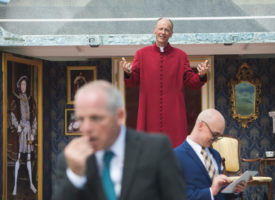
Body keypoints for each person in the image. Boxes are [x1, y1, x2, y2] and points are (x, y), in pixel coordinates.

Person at [52, 80, 187, 200]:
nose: (86, 127)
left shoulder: (156, 149)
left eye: (96, 118)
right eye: (80, 119)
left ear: (120, 116)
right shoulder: (69, 160)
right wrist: (76, 175)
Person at [120, 17, 209, 147]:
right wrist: (128, 73)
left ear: (171, 34)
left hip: (174, 115)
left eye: (167, 30)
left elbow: (191, 82)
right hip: (149, 114)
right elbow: (132, 82)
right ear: (154, 31)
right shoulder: (141, 54)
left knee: (176, 151)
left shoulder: (181, 56)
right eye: (160, 28)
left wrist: (201, 75)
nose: (163, 32)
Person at [174, 108, 246, 200]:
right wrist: (211, 191)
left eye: (219, 136)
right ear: (200, 125)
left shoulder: (216, 155)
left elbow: (220, 193)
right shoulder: (175, 157)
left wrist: (235, 190)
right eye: (215, 134)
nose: (216, 140)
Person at [9, 75, 37, 195]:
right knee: (19, 158)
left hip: (29, 130)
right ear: (19, 86)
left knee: (29, 158)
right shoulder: (15, 99)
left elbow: (35, 118)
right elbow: (12, 115)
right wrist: (17, 126)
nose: (24, 86)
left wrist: (33, 133)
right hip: (20, 131)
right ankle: (14, 186)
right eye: (22, 84)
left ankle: (31, 184)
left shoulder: (31, 100)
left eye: (25, 84)